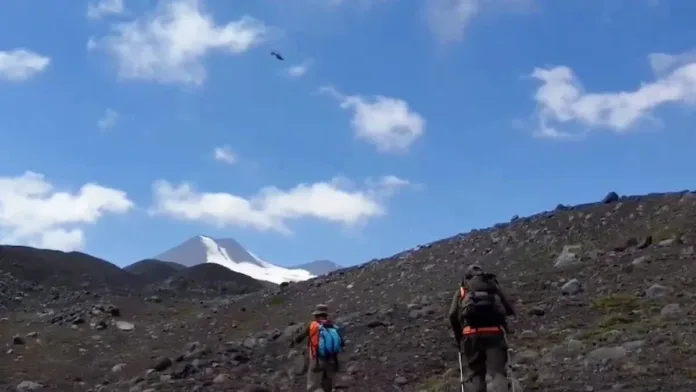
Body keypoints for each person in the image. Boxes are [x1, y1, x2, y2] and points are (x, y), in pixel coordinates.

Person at [448, 264, 516, 392]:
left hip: (471, 335)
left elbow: (452, 314)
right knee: (497, 373)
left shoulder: (463, 291)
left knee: (476, 374)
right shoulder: (492, 287)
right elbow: (509, 308)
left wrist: (459, 338)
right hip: (494, 333)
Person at [291, 304, 344, 392]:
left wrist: (294, 342)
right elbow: (341, 343)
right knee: (328, 386)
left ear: (316, 315)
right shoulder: (332, 325)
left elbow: (299, 338)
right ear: (325, 314)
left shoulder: (312, 325)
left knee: (313, 385)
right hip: (331, 360)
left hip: (317, 360)